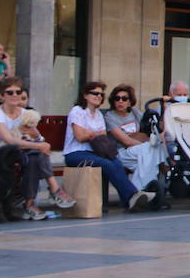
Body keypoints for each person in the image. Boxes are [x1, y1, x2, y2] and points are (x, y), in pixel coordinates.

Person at [0, 78, 76, 220]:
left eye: (18, 92)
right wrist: (40, 145)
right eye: (9, 92)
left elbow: (38, 138)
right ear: (2, 95)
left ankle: (30, 203)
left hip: (18, 153)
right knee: (36, 151)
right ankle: (54, 189)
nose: (14, 95)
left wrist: (38, 138)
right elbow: (9, 140)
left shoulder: (25, 113)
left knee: (34, 157)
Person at [63, 80, 151, 212]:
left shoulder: (98, 114)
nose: (98, 96)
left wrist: (90, 133)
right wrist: (93, 134)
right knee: (107, 164)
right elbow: (80, 137)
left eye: (101, 94)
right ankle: (132, 196)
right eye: (95, 93)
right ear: (85, 95)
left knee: (116, 162)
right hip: (75, 154)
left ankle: (129, 199)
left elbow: (102, 136)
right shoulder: (77, 111)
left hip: (94, 152)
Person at [104, 85, 168, 191]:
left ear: (129, 101)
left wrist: (164, 107)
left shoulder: (134, 112)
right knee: (152, 152)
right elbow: (126, 141)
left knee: (145, 163)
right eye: (117, 98)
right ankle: (149, 191)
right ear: (113, 101)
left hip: (139, 153)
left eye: (124, 99)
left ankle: (136, 193)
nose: (120, 101)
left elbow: (157, 127)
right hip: (121, 152)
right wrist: (144, 143)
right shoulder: (109, 117)